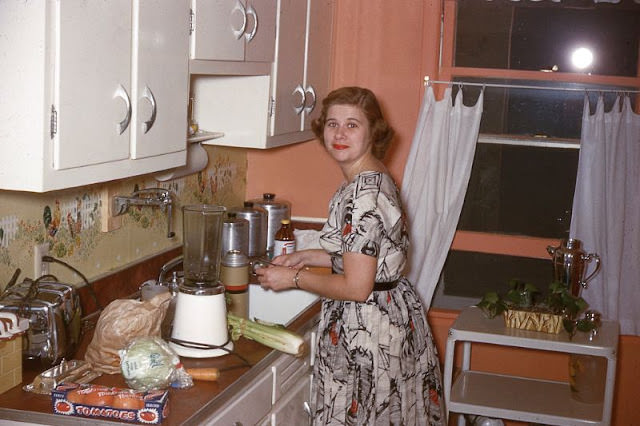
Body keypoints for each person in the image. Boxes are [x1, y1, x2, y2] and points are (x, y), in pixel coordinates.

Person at [254, 86, 444, 425]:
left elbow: (357, 286)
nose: (339, 134)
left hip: (368, 332)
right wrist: (310, 256)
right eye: (332, 124)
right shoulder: (372, 176)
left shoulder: (362, 194)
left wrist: (292, 278)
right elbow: (371, 254)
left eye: (352, 125)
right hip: (390, 315)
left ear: (373, 131)